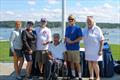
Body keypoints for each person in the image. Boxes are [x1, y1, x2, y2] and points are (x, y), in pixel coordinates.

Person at [65, 15, 83, 80]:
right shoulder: (67, 28)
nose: (70, 20)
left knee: (77, 63)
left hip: (75, 48)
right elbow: (66, 37)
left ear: (74, 20)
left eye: (72, 19)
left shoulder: (78, 28)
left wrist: (72, 42)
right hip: (68, 48)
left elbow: (81, 38)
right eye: (69, 19)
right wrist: (65, 42)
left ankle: (80, 77)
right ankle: (73, 75)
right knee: (71, 62)